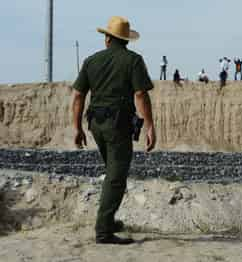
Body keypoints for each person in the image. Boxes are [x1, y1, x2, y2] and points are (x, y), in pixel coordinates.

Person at [71, 16, 156, 245]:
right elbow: (140, 94)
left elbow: (78, 95)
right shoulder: (133, 61)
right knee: (116, 178)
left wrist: (77, 128)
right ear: (125, 40)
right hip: (117, 126)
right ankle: (103, 231)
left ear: (108, 38)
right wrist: (150, 127)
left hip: (96, 125)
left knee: (112, 173)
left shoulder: (91, 61)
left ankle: (107, 222)